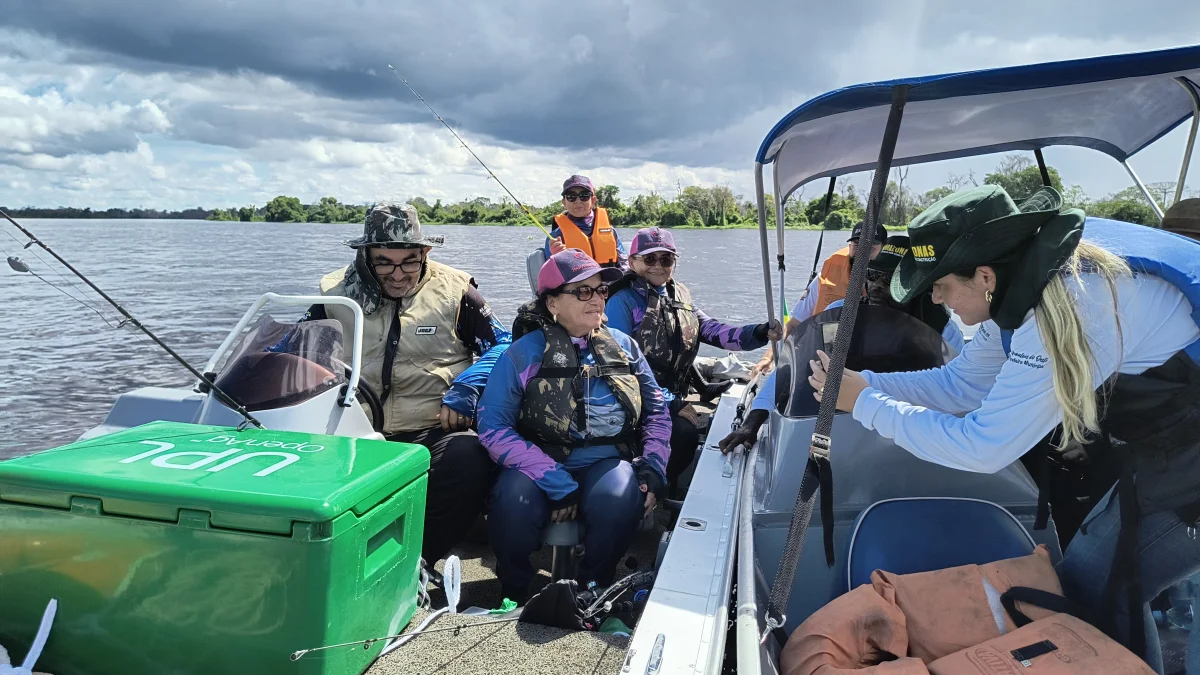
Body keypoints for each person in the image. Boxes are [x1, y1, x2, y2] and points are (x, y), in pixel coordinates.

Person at [804, 185, 1200, 673]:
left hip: (1186, 458)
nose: (934, 297)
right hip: (1167, 447)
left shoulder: (1075, 303)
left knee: (1105, 584)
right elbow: (961, 385)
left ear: (984, 276)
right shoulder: (1016, 286)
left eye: (940, 284)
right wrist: (866, 384)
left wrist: (865, 405)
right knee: (1095, 579)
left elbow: (985, 447)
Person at [305, 200, 510, 567]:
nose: (398, 275)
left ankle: (417, 564)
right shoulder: (334, 294)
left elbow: (505, 346)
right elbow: (294, 351)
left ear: (424, 253)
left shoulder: (457, 291)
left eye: (409, 262)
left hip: (432, 430)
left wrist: (467, 388)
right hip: (353, 429)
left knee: (472, 458)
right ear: (365, 256)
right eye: (384, 262)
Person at [477, 249, 671, 603]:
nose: (596, 299)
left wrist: (654, 465)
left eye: (601, 290)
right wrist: (556, 481)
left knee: (619, 496)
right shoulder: (522, 353)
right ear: (552, 302)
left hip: (607, 460)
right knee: (512, 501)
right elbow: (492, 427)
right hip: (538, 462)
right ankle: (514, 591)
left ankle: (592, 592)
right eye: (583, 291)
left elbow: (656, 411)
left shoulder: (625, 347)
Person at [719, 234, 963, 451]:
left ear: (915, 287)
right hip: (841, 427)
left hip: (908, 433)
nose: (876, 287)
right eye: (872, 276)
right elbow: (791, 370)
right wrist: (752, 422)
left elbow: (959, 393)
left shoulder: (944, 332)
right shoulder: (840, 315)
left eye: (889, 280)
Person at [604, 227, 782, 491]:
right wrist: (671, 403)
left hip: (670, 395)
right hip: (633, 398)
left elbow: (714, 331)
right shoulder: (623, 301)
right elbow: (619, 366)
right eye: (649, 259)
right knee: (684, 434)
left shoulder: (679, 295)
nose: (658, 266)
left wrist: (758, 332)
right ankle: (649, 491)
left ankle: (665, 485)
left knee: (687, 432)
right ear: (632, 262)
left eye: (666, 259)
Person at [751, 220, 886, 376]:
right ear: (849, 247)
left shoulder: (895, 288)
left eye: (871, 247)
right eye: (857, 245)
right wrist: (767, 358)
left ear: (884, 249)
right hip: (823, 365)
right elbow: (793, 325)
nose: (862, 252)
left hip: (870, 370)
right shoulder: (825, 279)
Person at [544, 174, 629, 270]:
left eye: (584, 196)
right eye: (571, 196)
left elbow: (624, 263)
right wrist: (555, 259)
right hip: (577, 280)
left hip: (611, 278)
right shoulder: (555, 237)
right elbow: (549, 273)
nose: (578, 201)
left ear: (593, 200)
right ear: (564, 202)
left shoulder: (610, 231)